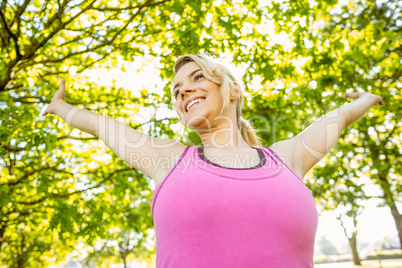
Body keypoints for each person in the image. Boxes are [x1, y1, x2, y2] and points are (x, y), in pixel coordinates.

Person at [43, 54, 385, 267]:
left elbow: (338, 119)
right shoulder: (168, 160)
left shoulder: (287, 157)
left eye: (197, 78)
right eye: (176, 91)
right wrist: (60, 107)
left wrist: (366, 100)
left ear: (233, 90)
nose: (183, 91)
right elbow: (103, 127)